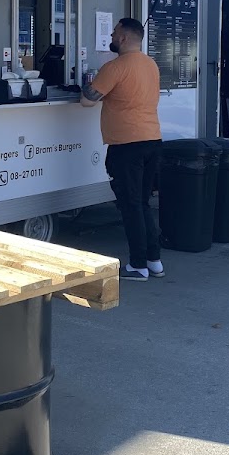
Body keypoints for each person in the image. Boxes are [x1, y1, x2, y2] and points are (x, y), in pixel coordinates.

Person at [80, 17, 164, 281]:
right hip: (152, 140)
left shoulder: (114, 67)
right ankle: (154, 261)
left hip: (127, 145)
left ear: (124, 38)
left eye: (115, 33)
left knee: (130, 206)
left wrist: (86, 83)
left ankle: (137, 265)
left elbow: (87, 101)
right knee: (142, 203)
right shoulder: (151, 65)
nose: (111, 37)